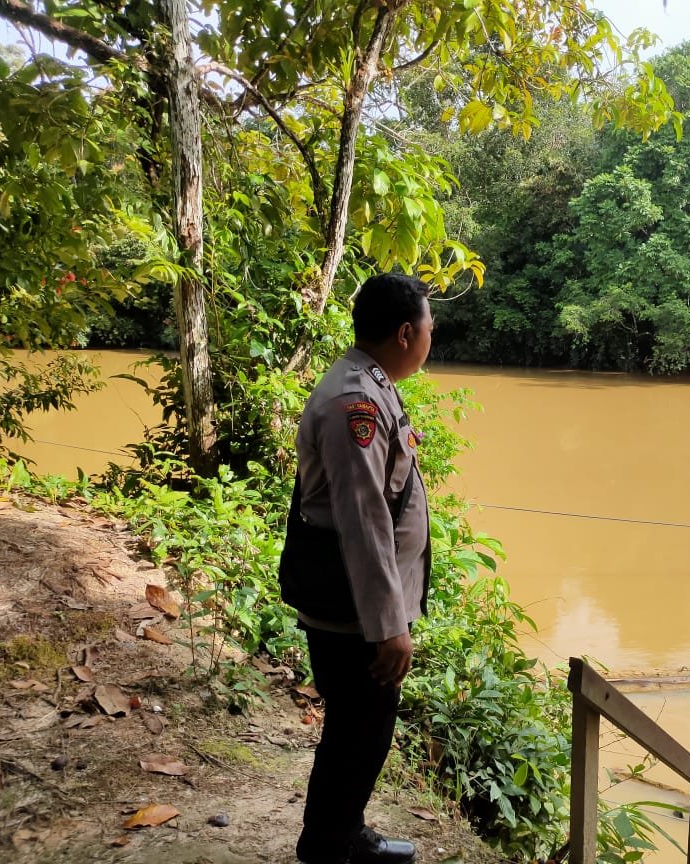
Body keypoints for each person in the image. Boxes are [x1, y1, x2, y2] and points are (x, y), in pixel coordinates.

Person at [290, 273, 433, 864]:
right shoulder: (356, 403)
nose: (430, 337)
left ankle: (341, 834)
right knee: (359, 731)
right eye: (428, 326)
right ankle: (328, 846)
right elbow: (363, 520)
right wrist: (389, 626)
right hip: (353, 610)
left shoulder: (371, 384)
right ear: (404, 333)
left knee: (361, 730)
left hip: (357, 605)